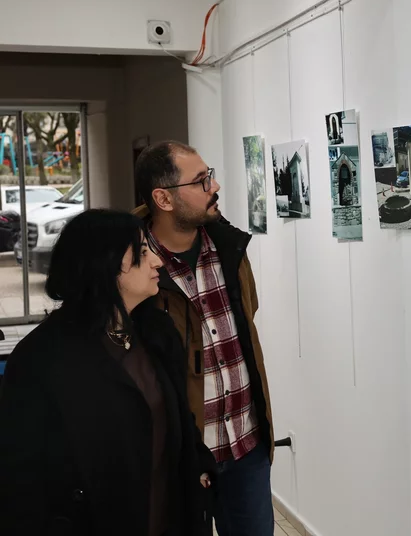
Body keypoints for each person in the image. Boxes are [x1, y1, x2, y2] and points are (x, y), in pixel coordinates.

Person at [0, 209, 215, 536]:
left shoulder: (157, 333)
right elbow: (19, 474)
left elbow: (180, 419)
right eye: (142, 252)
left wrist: (199, 468)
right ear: (105, 264)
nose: (157, 261)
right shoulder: (41, 358)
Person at [134, 141, 275, 536]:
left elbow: (248, 318)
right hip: (178, 458)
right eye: (200, 181)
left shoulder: (230, 248)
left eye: (209, 175)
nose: (214, 186)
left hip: (246, 444)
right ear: (163, 198)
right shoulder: (133, 267)